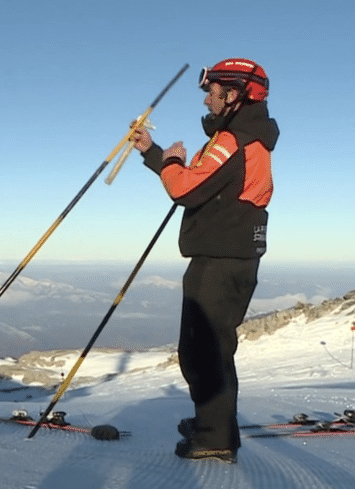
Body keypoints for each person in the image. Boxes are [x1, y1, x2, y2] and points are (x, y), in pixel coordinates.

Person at [130, 58, 279, 463]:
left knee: (206, 350)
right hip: (226, 257)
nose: (207, 99)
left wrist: (172, 161)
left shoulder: (235, 141)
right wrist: (154, 153)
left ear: (233, 94)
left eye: (211, 92)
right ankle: (212, 423)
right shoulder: (238, 138)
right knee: (203, 348)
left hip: (221, 259)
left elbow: (186, 188)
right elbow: (198, 182)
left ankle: (215, 437)